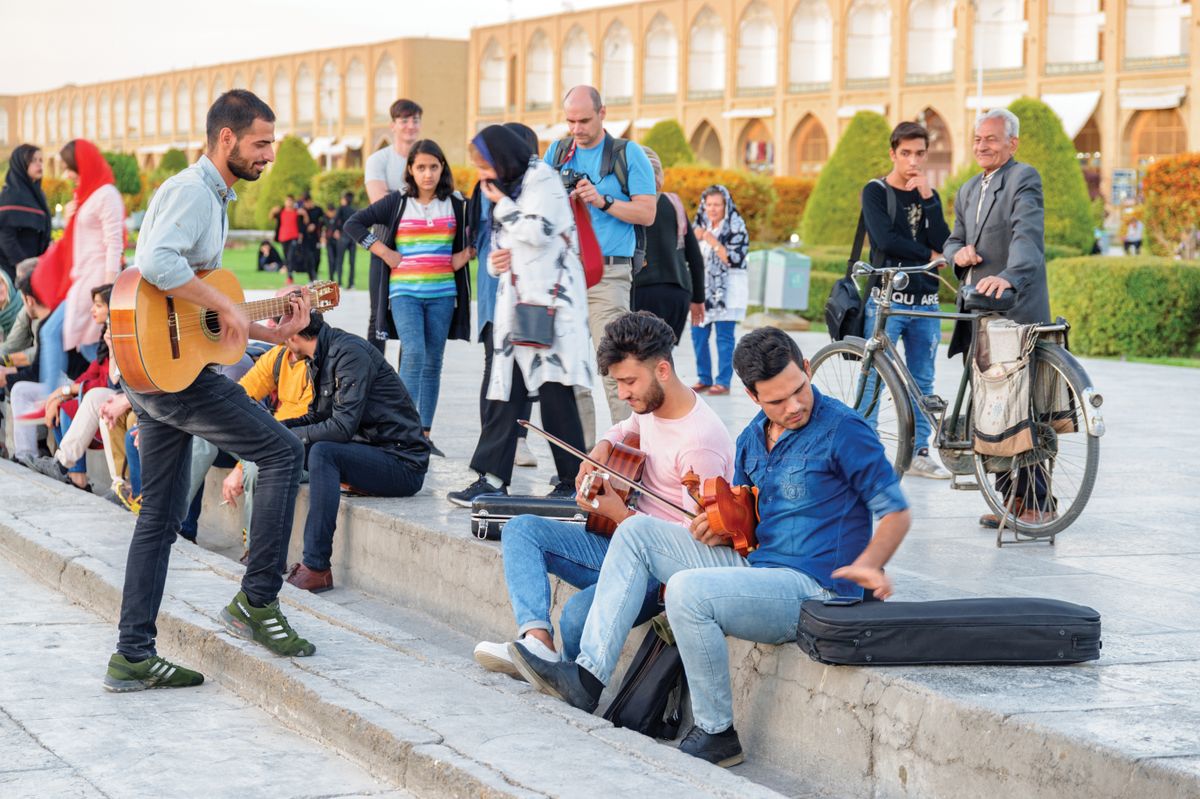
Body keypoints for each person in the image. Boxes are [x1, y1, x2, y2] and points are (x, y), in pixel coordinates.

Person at [508, 327, 911, 768]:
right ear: (752, 396)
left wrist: (872, 563)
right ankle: (586, 678)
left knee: (687, 591)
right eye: (776, 400)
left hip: (816, 589)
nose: (794, 406)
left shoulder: (845, 431)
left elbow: (895, 511)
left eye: (799, 389)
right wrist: (720, 528)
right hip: (758, 567)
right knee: (636, 533)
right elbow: (750, 523)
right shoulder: (753, 438)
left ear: (808, 369)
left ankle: (718, 733)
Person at [104, 89, 317, 695]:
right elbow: (156, 263)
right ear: (226, 139)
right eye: (260, 143)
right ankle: (257, 601)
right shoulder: (195, 192)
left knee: (161, 519)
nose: (270, 155)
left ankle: (132, 656)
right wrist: (226, 303)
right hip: (171, 379)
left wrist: (272, 327)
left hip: (161, 373)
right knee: (282, 452)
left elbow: (206, 316)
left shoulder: (213, 197)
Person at [472, 311, 735, 675]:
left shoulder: (699, 444)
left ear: (662, 370)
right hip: (619, 543)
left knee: (578, 617)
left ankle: (569, 675)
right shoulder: (651, 404)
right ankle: (538, 643)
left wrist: (617, 514)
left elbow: (694, 547)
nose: (623, 393)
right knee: (521, 531)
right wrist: (601, 448)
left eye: (629, 382)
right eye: (618, 383)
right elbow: (625, 426)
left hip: (658, 573)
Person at [446, 125, 591, 507]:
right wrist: (495, 263)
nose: (482, 174)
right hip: (517, 308)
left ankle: (571, 481)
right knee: (504, 392)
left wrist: (502, 205)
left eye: (485, 164)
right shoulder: (510, 189)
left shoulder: (542, 179)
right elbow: (502, 250)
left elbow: (539, 231)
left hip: (549, 308)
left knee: (554, 392)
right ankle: (491, 478)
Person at [942, 108, 1053, 528]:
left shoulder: (1023, 179)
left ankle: (1039, 502)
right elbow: (953, 239)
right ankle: (1011, 500)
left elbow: (1028, 236)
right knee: (991, 410)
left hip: (1015, 311)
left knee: (1022, 409)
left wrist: (1009, 277)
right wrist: (959, 255)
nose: (982, 146)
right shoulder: (968, 189)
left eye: (991, 139)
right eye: (977, 139)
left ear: (1012, 143)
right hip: (978, 315)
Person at [282, 313, 430, 593]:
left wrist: (291, 436)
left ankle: (316, 567)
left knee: (323, 452)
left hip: (402, 463)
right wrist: (276, 429)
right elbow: (316, 418)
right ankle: (266, 553)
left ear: (293, 335)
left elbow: (340, 428)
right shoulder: (321, 355)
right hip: (370, 451)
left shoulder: (349, 353)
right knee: (286, 448)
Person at [345, 139, 471, 457]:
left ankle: (424, 434)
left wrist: (465, 255)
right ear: (410, 170)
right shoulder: (398, 202)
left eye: (433, 167)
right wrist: (385, 252)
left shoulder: (456, 203)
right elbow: (354, 224)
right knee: (413, 354)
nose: (427, 174)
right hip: (405, 295)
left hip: (443, 295)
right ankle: (403, 431)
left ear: (442, 168)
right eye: (421, 167)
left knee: (433, 363)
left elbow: (483, 231)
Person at [545, 86, 656, 438]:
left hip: (608, 275)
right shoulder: (558, 152)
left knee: (616, 367)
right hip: (565, 274)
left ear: (603, 113)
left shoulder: (628, 153)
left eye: (584, 120)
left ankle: (628, 457)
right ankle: (582, 462)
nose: (576, 128)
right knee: (573, 373)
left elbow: (647, 213)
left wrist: (603, 201)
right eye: (570, 121)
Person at [860, 121, 952, 480]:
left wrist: (929, 201)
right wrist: (929, 256)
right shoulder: (876, 191)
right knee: (873, 378)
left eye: (919, 154)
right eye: (906, 153)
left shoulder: (928, 193)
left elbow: (945, 239)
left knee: (923, 381)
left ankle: (918, 453)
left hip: (926, 301)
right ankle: (867, 453)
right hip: (888, 301)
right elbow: (884, 240)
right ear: (893, 154)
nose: (913, 160)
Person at [468, 122, 541, 471]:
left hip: (529, 292)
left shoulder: (538, 185)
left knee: (527, 369)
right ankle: (495, 442)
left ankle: (518, 441)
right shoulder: (490, 189)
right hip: (497, 289)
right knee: (496, 363)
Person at [31, 139, 124, 386]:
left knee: (63, 336)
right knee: (84, 343)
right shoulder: (89, 196)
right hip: (83, 280)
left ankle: (54, 397)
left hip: (95, 281)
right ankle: (107, 385)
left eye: (69, 167)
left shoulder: (106, 194)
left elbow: (114, 243)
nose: (67, 174)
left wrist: (107, 290)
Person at [221, 322, 315, 563]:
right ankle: (178, 525)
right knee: (203, 435)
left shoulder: (316, 364)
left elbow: (291, 425)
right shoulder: (279, 356)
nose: (274, 328)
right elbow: (240, 396)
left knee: (255, 469)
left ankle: (259, 555)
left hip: (306, 453)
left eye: (282, 324)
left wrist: (241, 465)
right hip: (272, 441)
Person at [24, 283, 114, 490]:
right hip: (98, 392)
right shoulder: (106, 332)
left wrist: (67, 391)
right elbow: (93, 371)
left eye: (99, 306)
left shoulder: (119, 333)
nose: (93, 310)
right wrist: (61, 393)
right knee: (60, 405)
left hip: (115, 396)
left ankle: (74, 475)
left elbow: (108, 381)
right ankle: (74, 476)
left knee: (68, 409)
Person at [364, 98, 423, 362]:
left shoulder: (426, 158)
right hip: (385, 245)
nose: (410, 126)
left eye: (415, 120)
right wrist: (417, 200)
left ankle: (405, 386)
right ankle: (374, 382)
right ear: (393, 125)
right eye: (405, 121)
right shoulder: (379, 160)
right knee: (378, 316)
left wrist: (397, 197)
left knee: (412, 318)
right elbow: (380, 204)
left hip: (420, 248)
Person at [631, 146, 705, 343]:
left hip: (641, 292)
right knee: (662, 355)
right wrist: (698, 299)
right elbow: (695, 258)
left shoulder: (627, 205)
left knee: (640, 357)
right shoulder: (674, 203)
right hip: (677, 293)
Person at [690, 185, 749, 396]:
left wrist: (712, 241)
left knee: (724, 338)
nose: (713, 209)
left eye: (717, 204)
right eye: (709, 204)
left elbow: (734, 259)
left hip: (727, 292)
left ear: (726, 206)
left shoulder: (735, 227)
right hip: (701, 290)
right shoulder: (697, 227)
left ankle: (723, 381)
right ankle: (704, 377)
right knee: (697, 335)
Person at [0, 144, 51, 283]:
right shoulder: (10, 195)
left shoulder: (37, 195)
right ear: (20, 164)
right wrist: (23, 265)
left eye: (41, 160)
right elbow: (6, 236)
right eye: (33, 160)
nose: (39, 164)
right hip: (12, 271)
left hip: (33, 269)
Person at [270, 195, 305, 284]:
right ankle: (289, 276)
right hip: (283, 237)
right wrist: (272, 210)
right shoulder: (281, 212)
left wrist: (304, 214)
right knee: (286, 257)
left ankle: (289, 277)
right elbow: (270, 218)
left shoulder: (297, 212)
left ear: (293, 202)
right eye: (287, 201)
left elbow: (304, 223)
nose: (289, 203)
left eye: (290, 201)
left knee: (290, 256)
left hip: (294, 237)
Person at [329, 192, 358, 288]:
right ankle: (351, 283)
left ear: (344, 200)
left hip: (343, 236)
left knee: (340, 260)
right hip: (353, 237)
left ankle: (340, 282)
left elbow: (334, 221)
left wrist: (334, 231)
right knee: (352, 262)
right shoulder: (354, 210)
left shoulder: (341, 208)